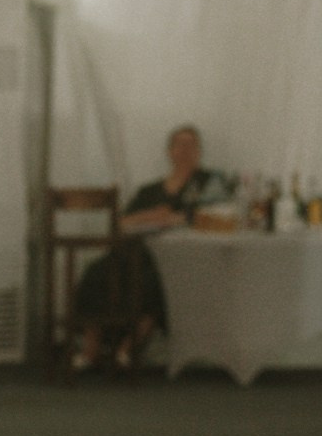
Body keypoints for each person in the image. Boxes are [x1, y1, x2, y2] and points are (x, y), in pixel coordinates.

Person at [71, 124, 231, 372]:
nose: (185, 150)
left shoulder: (209, 182)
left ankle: (127, 349)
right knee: (96, 271)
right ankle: (90, 349)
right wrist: (153, 215)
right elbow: (122, 221)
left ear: (199, 151)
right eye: (180, 144)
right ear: (170, 151)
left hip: (176, 257)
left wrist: (171, 218)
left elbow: (212, 215)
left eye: (191, 145)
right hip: (135, 250)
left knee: (155, 282)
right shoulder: (150, 190)